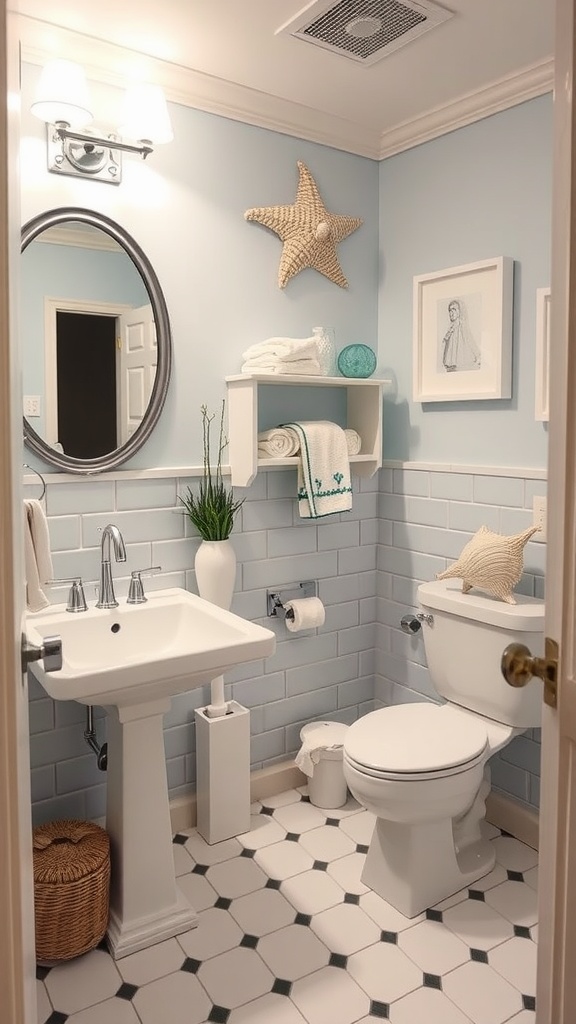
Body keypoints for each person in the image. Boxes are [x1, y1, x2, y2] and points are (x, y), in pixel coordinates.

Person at [442, 299, 481, 372]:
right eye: (450, 311)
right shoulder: (450, 327)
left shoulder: (462, 325)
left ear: (459, 311)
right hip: (451, 358)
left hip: (461, 356)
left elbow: (469, 338)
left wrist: (477, 354)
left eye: (454, 310)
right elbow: (445, 341)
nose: (451, 313)